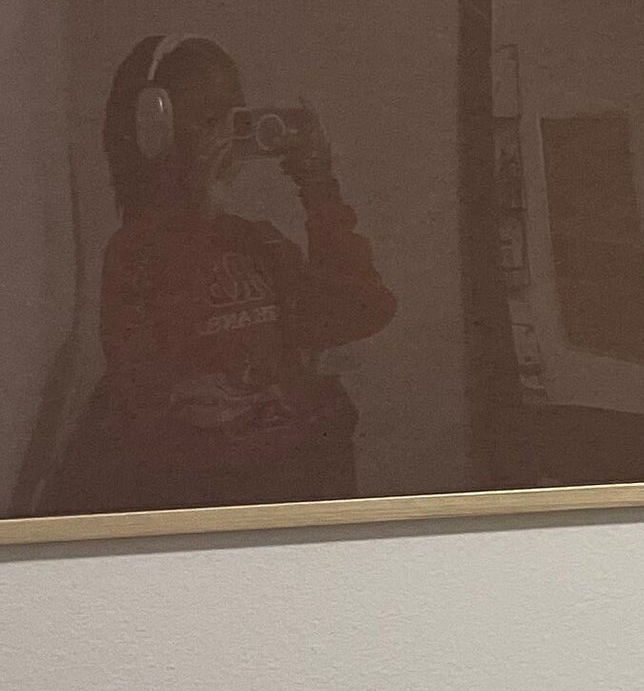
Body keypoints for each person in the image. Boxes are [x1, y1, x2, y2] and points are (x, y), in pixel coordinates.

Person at [45, 35, 397, 513]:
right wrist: (199, 214)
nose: (228, 134)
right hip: (199, 494)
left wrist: (319, 188)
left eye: (238, 117)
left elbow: (361, 313)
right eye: (211, 119)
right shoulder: (134, 249)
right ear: (160, 130)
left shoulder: (260, 242)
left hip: (291, 484)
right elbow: (145, 374)